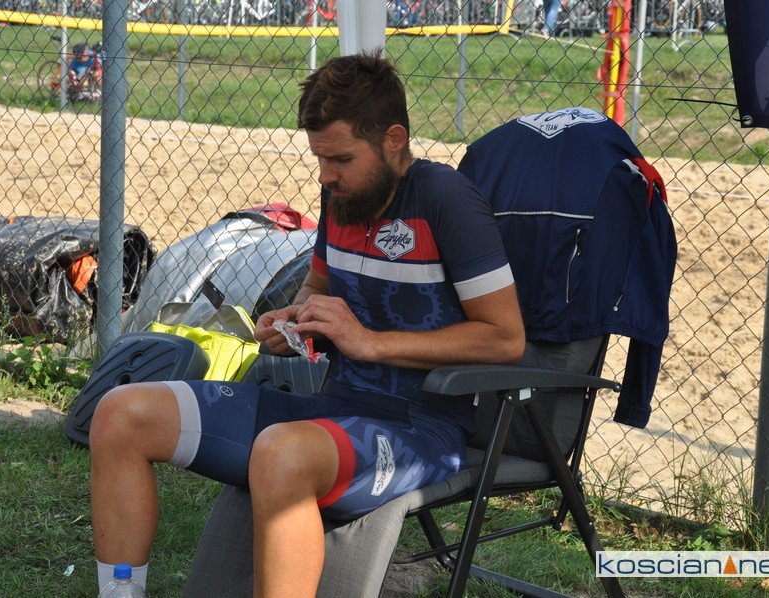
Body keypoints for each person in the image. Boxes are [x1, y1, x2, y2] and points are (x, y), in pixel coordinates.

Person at [88, 50, 525, 597]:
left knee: (282, 453)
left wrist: (368, 342)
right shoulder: (344, 194)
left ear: (394, 140)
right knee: (121, 414)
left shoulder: (445, 199)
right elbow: (318, 286)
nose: (325, 176)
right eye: (319, 158)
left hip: (421, 429)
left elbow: (505, 338)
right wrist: (297, 320)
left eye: (340, 158)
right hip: (332, 410)